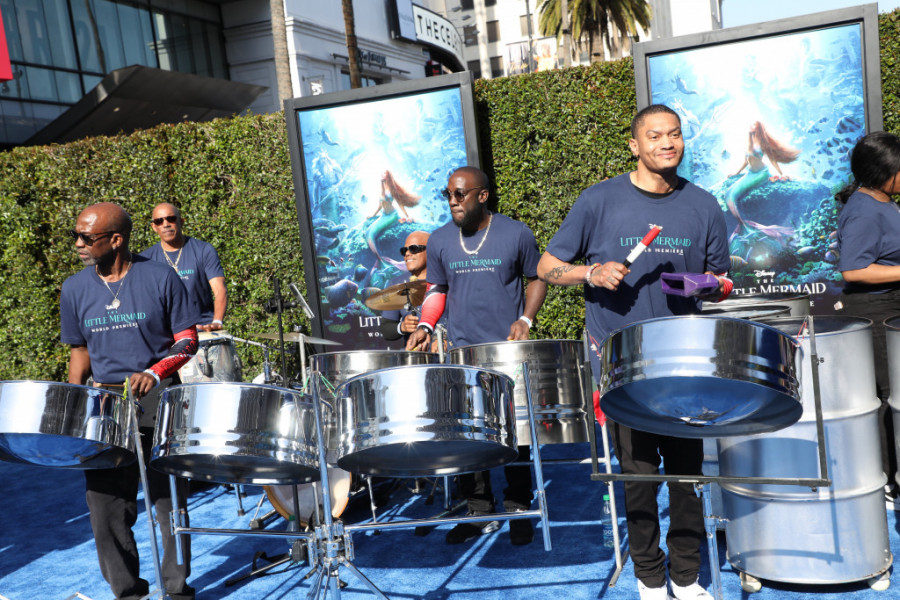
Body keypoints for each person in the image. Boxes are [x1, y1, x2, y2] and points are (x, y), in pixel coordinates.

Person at [537, 104, 730, 600]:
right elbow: (546, 266)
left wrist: (710, 285)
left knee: (687, 475)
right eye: (655, 135)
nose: (667, 143)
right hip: (623, 364)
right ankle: (649, 576)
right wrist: (591, 272)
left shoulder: (704, 205)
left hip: (684, 362)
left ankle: (686, 577)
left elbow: (722, 279)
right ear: (634, 145)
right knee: (638, 477)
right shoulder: (599, 200)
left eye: (675, 134)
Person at [60, 202, 200, 600]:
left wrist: (154, 372)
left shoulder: (160, 277)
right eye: (76, 235)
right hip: (105, 406)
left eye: (86, 237)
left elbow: (188, 340)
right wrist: (75, 403)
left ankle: (176, 591)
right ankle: (128, 594)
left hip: (160, 399)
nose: (78, 243)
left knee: (168, 502)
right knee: (105, 508)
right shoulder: (74, 288)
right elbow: (79, 349)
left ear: (116, 240)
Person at [406, 166, 548, 546]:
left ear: (482, 196)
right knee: (467, 433)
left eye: (460, 194)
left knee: (514, 433)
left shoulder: (515, 233)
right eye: (448, 194)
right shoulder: (440, 239)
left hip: (506, 349)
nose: (453, 201)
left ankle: (518, 506)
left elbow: (537, 277)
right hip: (462, 350)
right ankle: (479, 509)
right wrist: (426, 325)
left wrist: (525, 319)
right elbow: (437, 289)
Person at [834, 131, 900, 505]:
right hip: (875, 311)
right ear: (882, 173)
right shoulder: (863, 210)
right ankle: (888, 479)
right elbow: (854, 270)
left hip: (889, 305)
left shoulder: (884, 201)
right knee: (888, 396)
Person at [142, 202, 226, 332]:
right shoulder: (146, 259)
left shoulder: (203, 250)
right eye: (159, 221)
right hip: (168, 334)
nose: (166, 224)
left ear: (181, 222)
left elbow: (220, 290)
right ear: (154, 227)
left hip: (203, 329)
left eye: (171, 219)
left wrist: (217, 322)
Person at [725, 121, 800, 242]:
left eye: (754, 124)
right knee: (728, 194)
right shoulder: (748, 142)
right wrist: (736, 173)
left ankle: (747, 228)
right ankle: (743, 225)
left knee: (733, 196)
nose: (751, 125)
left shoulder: (763, 143)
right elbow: (746, 160)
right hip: (750, 173)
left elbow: (772, 160)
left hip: (761, 173)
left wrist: (781, 174)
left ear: (758, 127)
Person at [380, 230, 430, 343]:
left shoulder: (450, 281)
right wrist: (402, 327)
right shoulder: (396, 284)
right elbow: (386, 328)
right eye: (404, 250)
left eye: (413, 248)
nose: (407, 253)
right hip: (415, 353)